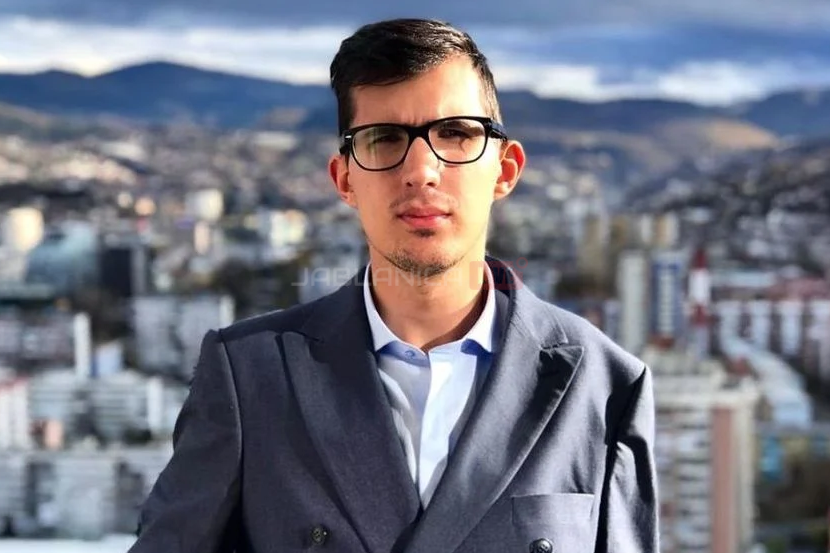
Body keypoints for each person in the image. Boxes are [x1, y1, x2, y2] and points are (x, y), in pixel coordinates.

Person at [128, 18, 658, 553]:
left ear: (505, 169)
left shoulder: (603, 385)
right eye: (384, 139)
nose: (421, 170)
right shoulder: (250, 376)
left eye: (455, 133)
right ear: (344, 179)